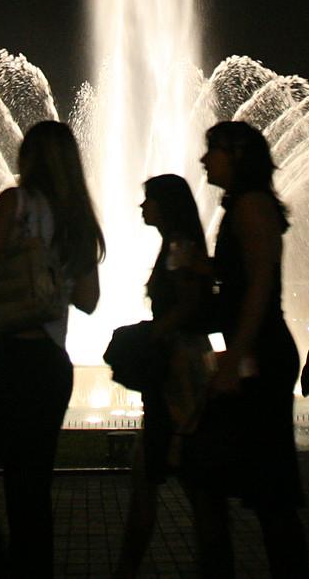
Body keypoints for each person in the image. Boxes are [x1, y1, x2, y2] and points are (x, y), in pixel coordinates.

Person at [0, 118, 103, 578]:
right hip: (53, 365)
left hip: (11, 359)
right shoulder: (79, 221)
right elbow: (89, 302)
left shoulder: (15, 203)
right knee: (29, 495)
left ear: (29, 158)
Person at [191, 120, 308, 579]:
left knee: (271, 490)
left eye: (212, 150)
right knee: (258, 486)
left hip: (261, 352)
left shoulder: (252, 206)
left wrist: (234, 357)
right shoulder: (244, 206)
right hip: (253, 350)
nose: (205, 159)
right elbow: (242, 278)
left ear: (237, 154)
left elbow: (260, 287)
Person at [114, 174, 214, 579]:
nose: (142, 207)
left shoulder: (178, 247)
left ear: (166, 205)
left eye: (148, 200)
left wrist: (149, 335)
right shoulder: (176, 245)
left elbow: (189, 304)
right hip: (181, 370)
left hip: (179, 374)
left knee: (175, 481)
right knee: (182, 482)